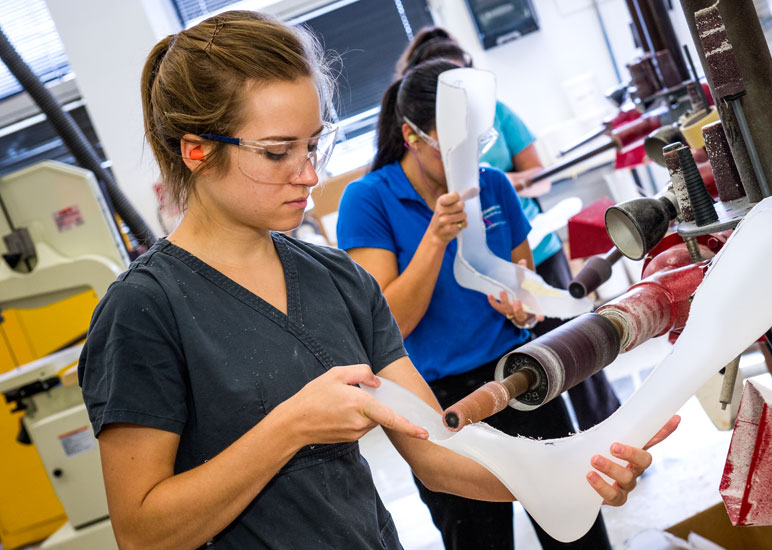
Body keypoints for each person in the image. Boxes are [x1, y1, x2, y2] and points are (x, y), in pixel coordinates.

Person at [77, 11, 676, 550]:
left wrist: (567, 472)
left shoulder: (334, 278)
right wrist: (291, 426)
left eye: (314, 144)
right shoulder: (145, 311)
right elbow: (142, 530)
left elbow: (436, 453)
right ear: (196, 151)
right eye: (278, 151)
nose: (309, 174)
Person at [337, 59, 660, 550]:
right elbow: (389, 323)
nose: (469, 160)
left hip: (523, 377)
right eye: (452, 147)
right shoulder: (369, 200)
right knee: (478, 538)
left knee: (572, 519)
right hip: (436, 400)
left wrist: (523, 307)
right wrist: (434, 238)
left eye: (478, 144)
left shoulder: (493, 184)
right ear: (410, 135)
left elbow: (521, 279)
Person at [396, 27, 621, 430]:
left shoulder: (493, 155)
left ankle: (606, 434)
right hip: (458, 377)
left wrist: (523, 309)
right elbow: (393, 319)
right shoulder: (383, 195)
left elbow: (538, 176)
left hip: (530, 255)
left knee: (574, 352)